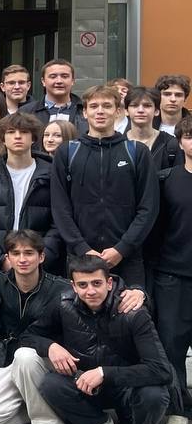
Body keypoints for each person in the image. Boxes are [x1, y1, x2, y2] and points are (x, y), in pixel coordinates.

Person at [0, 231, 140, 424]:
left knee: (25, 356)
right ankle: (61, 413)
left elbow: (100, 286)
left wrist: (139, 292)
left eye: (29, 253)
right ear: (8, 258)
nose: (22, 259)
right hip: (4, 359)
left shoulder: (60, 288)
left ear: (41, 257)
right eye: (16, 253)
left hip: (48, 361)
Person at [31, 254, 173, 424]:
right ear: (73, 286)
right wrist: (50, 346)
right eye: (83, 285)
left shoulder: (133, 312)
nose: (90, 291)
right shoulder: (63, 303)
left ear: (109, 283)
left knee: (155, 393)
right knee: (51, 384)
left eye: (97, 283)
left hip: (127, 388)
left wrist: (104, 373)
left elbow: (161, 370)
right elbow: (30, 335)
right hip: (87, 386)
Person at [51, 85, 158, 287]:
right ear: (84, 112)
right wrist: (82, 248)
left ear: (118, 111)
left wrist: (122, 248)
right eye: (94, 106)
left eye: (107, 106)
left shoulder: (137, 152)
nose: (100, 111)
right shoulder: (67, 152)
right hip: (80, 257)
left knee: (129, 307)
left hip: (127, 258)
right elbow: (60, 207)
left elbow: (148, 207)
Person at [0, 112, 61, 273]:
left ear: (33, 138)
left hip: (41, 268)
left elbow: (59, 223)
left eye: (24, 132)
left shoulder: (51, 176)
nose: (17, 136)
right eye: (11, 132)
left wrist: (38, 258)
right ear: (3, 139)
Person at [150, 116, 192, 424]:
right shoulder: (167, 180)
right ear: (180, 141)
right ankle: (178, 410)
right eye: (189, 136)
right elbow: (155, 233)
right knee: (172, 345)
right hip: (172, 275)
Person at [125, 86, 178, 170]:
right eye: (134, 105)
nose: (140, 110)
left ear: (156, 111)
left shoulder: (170, 144)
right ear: (126, 111)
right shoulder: (117, 144)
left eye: (147, 106)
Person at [28, 59, 85, 131]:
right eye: (53, 77)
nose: (59, 81)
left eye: (64, 76)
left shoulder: (85, 111)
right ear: (43, 81)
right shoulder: (27, 112)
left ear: (73, 81)